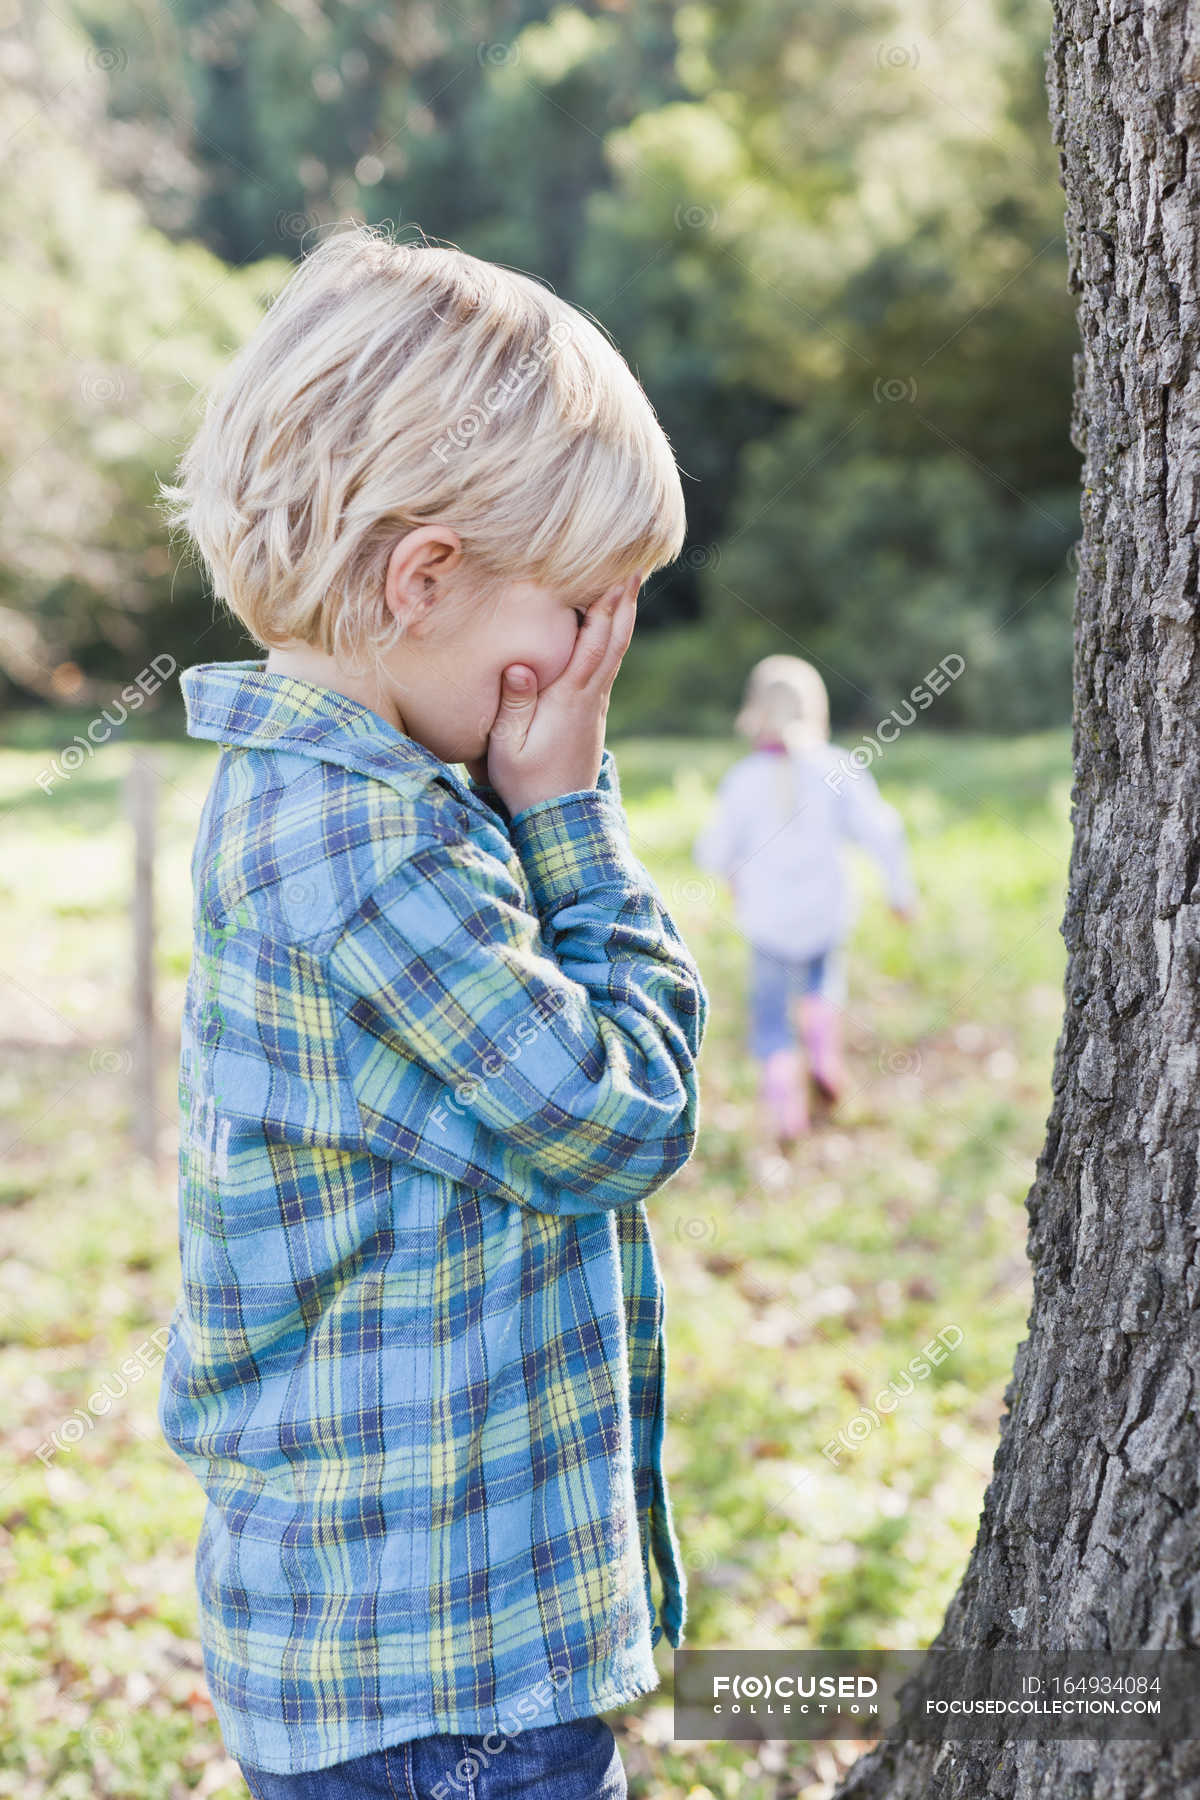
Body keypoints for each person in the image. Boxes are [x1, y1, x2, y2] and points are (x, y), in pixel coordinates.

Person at [153, 223, 708, 1799]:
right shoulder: (370, 845)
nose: (590, 676)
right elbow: (621, 1113)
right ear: (423, 579)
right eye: (583, 622)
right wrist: (572, 812)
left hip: (405, 1658)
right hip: (438, 1689)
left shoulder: (342, 795)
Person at [693, 654, 915, 1151]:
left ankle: (786, 1111)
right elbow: (882, 832)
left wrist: (727, 874)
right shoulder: (838, 768)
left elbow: (711, 851)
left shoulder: (743, 779)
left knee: (771, 1018)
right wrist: (900, 892)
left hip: (767, 921)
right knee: (820, 982)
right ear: (816, 709)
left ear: (754, 712)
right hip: (825, 913)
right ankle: (822, 1058)